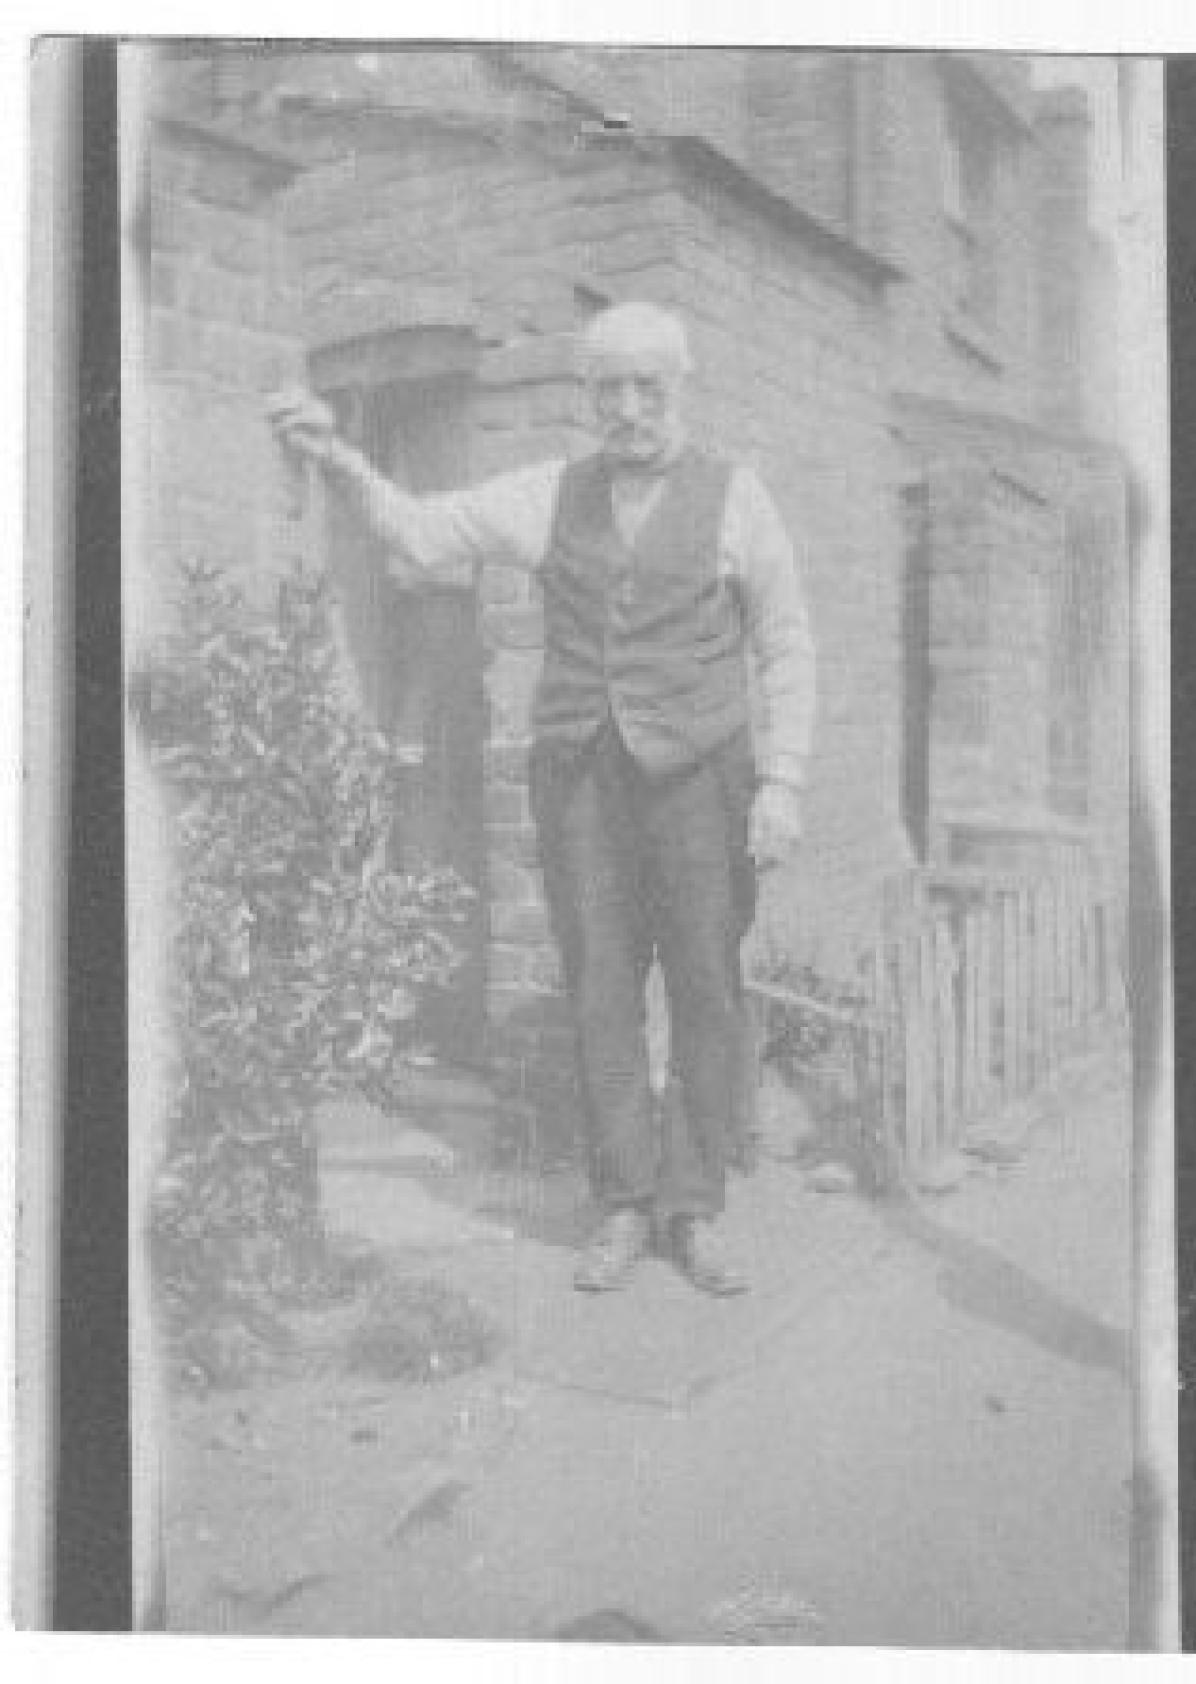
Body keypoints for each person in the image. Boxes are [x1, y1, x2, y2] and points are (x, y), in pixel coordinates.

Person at [269, 301, 816, 1296]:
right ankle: (623, 1201)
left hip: (703, 779)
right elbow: (426, 533)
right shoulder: (549, 494)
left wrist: (781, 783)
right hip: (581, 780)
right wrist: (338, 459)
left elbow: (786, 645)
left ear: (679, 387)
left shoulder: (738, 499)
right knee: (600, 986)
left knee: (705, 986)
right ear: (589, 396)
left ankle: (690, 1207)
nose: (628, 408)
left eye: (647, 386)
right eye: (609, 389)